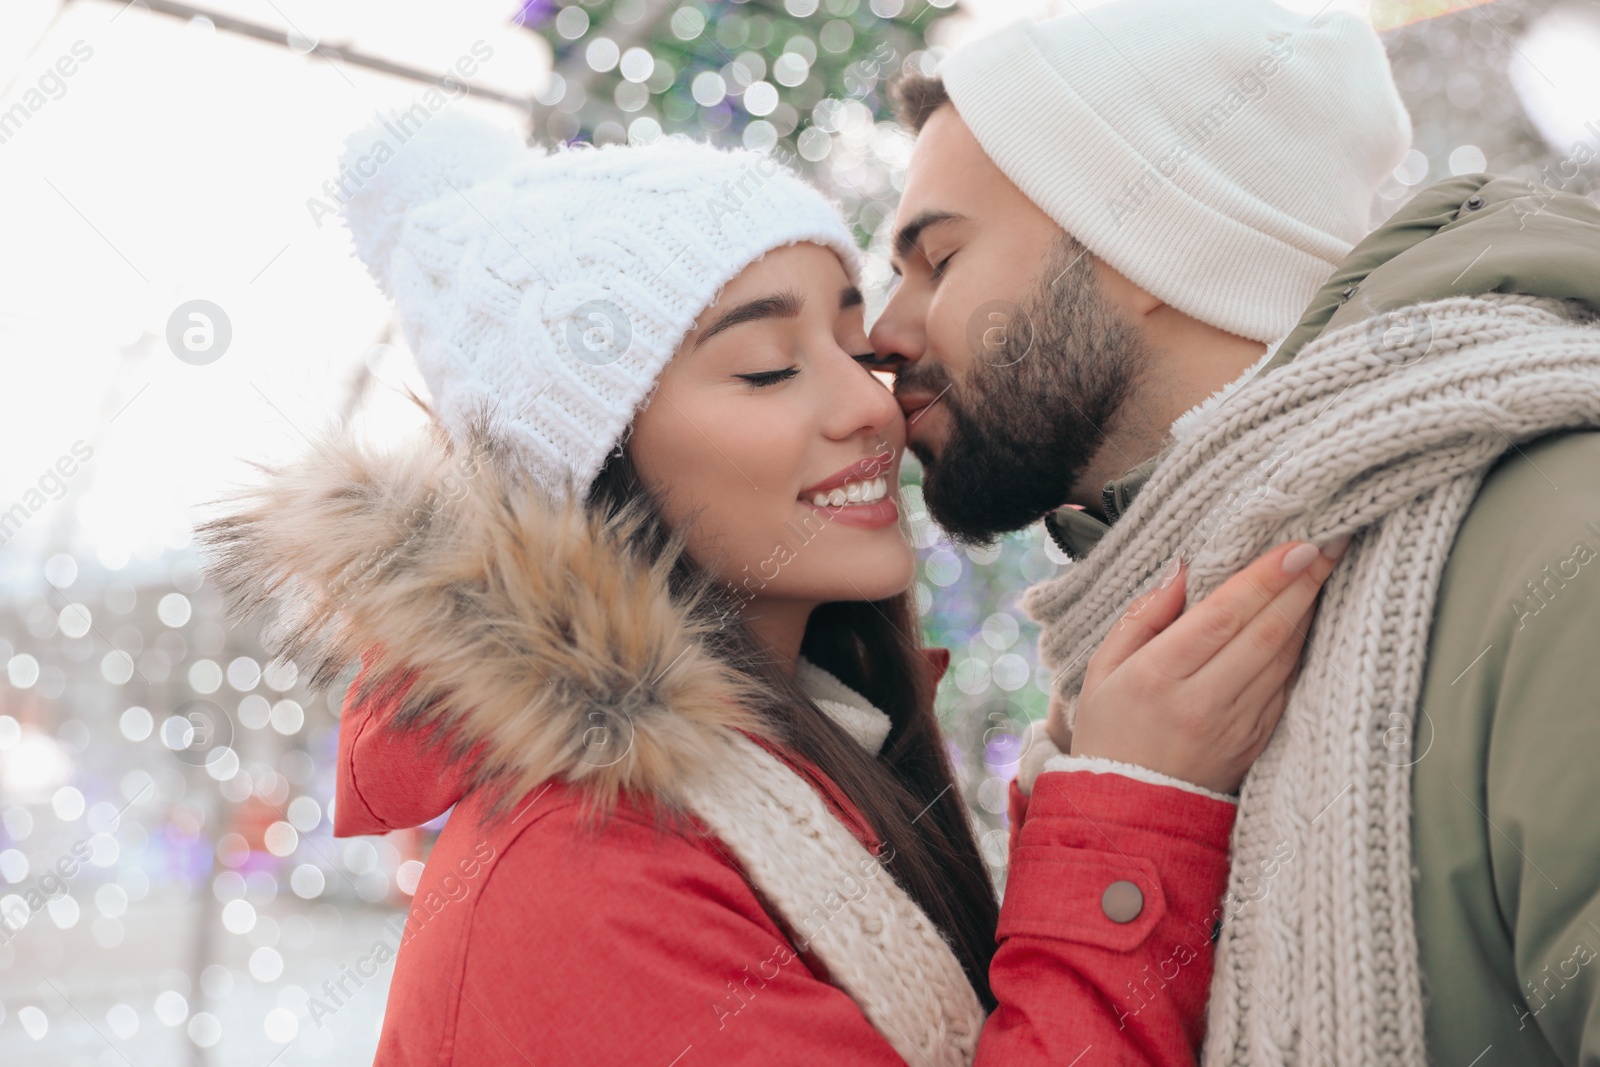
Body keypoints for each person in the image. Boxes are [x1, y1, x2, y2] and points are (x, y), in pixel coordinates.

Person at [200, 108, 1340, 1065]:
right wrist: (1131, 812)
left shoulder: (806, 759)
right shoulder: (580, 875)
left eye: (859, 349)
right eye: (764, 367)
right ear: (590, 463)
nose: (871, 408)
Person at [869, 1, 1600, 1063]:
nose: (882, 333)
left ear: (1139, 240)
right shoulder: (1133, 660)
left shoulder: (1555, 545)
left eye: (937, 259)